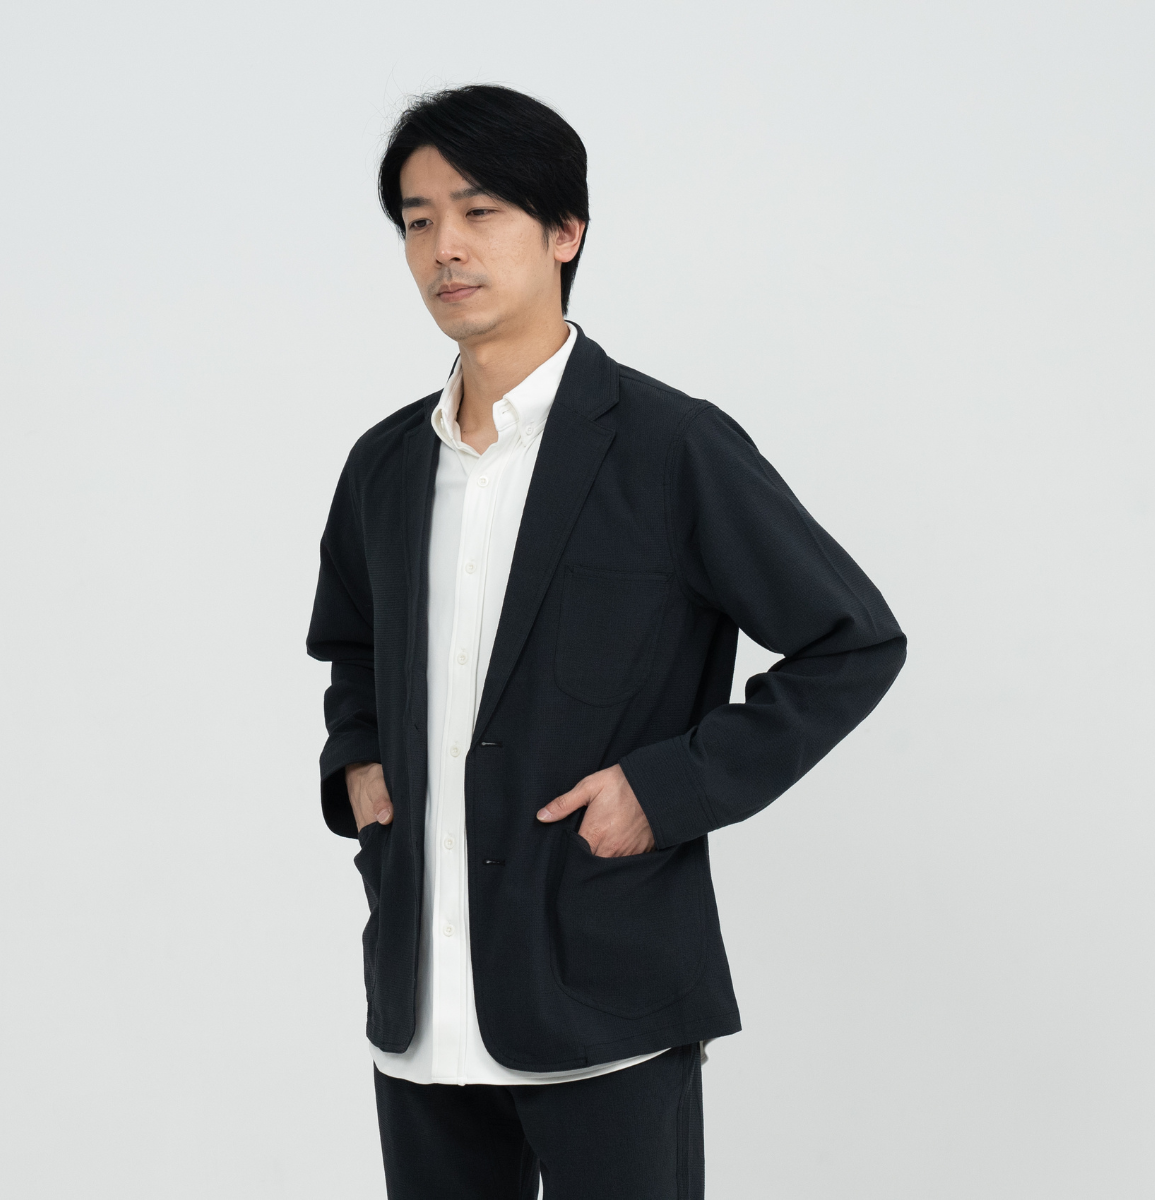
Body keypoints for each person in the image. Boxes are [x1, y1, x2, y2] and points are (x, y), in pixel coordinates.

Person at [306, 83, 906, 1200]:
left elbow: (852, 642)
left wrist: (665, 791)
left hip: (607, 990)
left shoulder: (670, 447)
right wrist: (361, 765)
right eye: (418, 220)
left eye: (479, 212)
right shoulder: (384, 465)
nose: (444, 248)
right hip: (422, 999)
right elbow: (351, 644)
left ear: (565, 232)